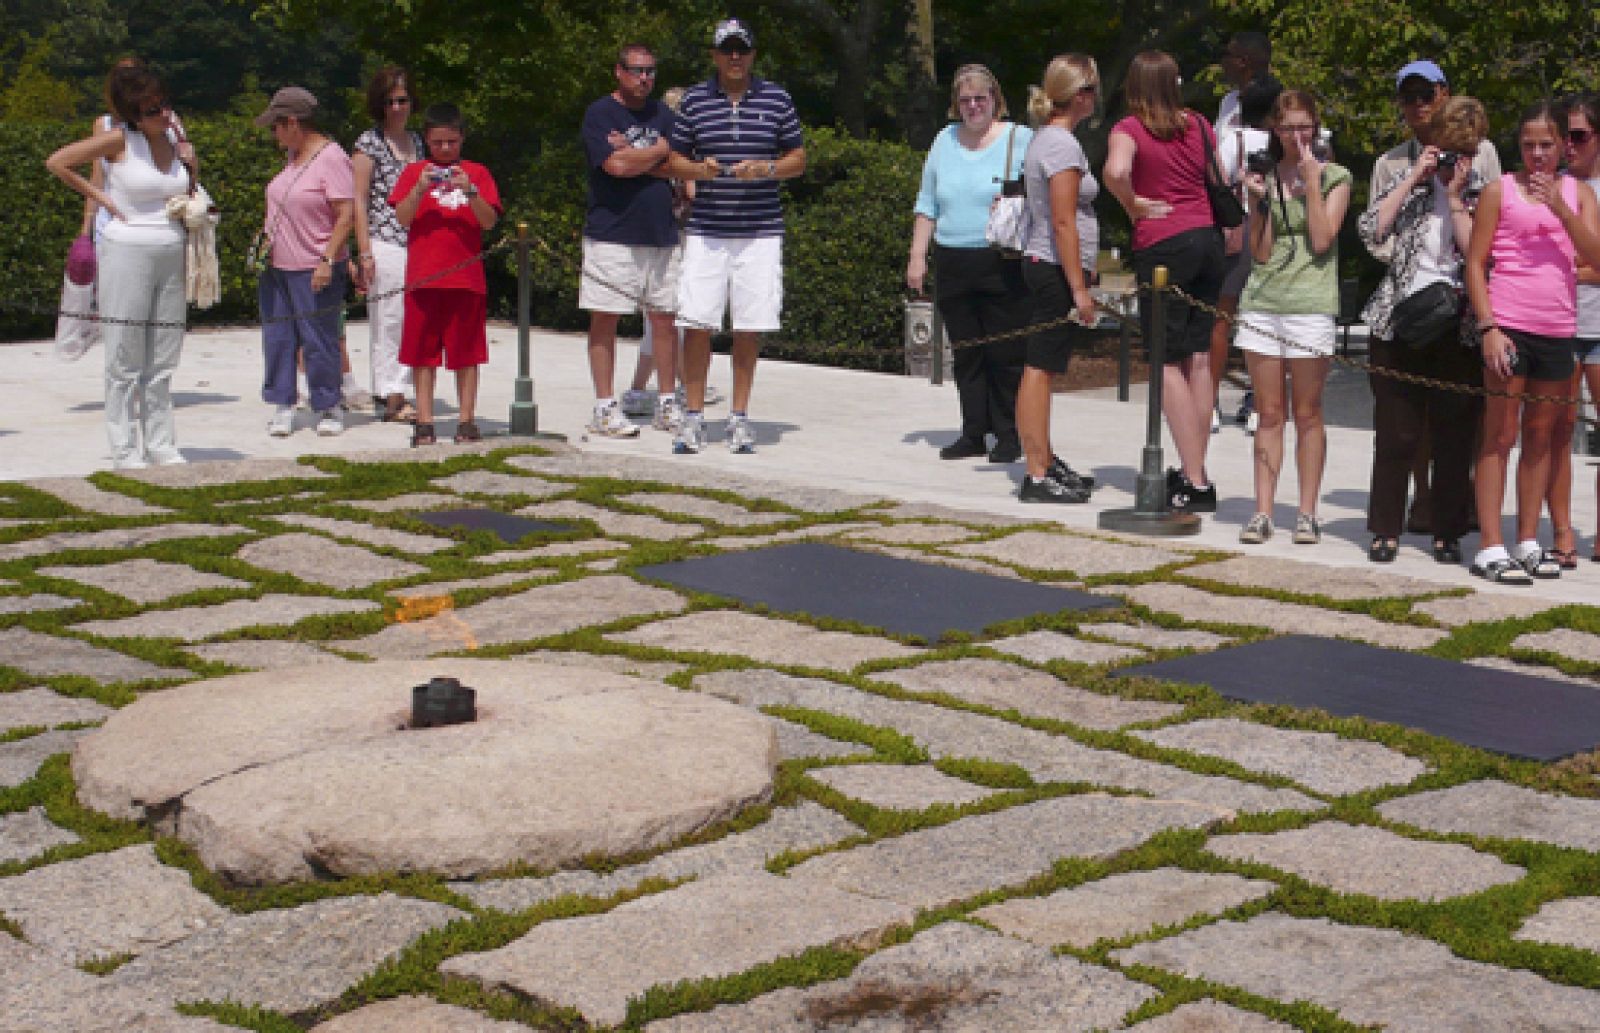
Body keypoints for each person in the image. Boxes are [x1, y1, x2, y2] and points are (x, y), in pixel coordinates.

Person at [1464, 100, 1600, 583]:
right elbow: (1476, 264)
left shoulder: (1579, 193)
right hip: (1510, 322)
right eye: (1528, 146)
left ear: (1564, 144)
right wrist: (1488, 328)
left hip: (1559, 328)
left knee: (1542, 438)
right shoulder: (1500, 191)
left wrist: (1562, 209)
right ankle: (1490, 543)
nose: (1537, 155)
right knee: (1500, 434)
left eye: (1546, 145)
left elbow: (1596, 259)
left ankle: (1526, 538)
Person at [1369, 59, 1503, 535]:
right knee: (1402, 426)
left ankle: (1449, 510)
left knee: (1456, 422)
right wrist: (1416, 183)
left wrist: (1456, 196)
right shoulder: (1391, 162)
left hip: (1461, 307)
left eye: (1428, 95)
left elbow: (1488, 237)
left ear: (1445, 94)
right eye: (1410, 97)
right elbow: (1376, 238)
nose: (1420, 106)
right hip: (1408, 304)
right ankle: (1409, 507)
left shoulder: (1481, 153)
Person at [46, 61, 196, 469]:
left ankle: (162, 443)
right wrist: (104, 201)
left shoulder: (173, 135)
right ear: (133, 115)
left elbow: (186, 190)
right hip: (126, 249)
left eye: (164, 105)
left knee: (164, 352)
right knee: (125, 355)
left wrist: (192, 168)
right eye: (152, 110)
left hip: (171, 246)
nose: (163, 114)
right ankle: (124, 447)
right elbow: (58, 162)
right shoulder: (118, 139)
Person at [665, 18, 806, 455]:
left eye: (741, 49)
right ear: (714, 55)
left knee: (749, 326)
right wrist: (698, 170)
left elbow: (798, 158)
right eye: (727, 50)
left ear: (752, 54)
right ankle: (692, 418)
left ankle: (739, 418)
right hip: (708, 229)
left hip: (759, 231)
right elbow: (674, 160)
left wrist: (765, 169)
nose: (734, 57)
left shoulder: (776, 98)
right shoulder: (694, 101)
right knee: (697, 323)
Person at [1103, 50, 1227, 513]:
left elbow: (1116, 170)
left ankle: (1194, 479)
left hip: (1164, 245)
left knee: (1164, 360)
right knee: (1198, 356)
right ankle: (1196, 469)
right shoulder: (1197, 124)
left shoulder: (1129, 129)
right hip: (1208, 241)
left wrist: (1132, 201)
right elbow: (1218, 176)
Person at [1232, 91, 1351, 545]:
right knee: (1268, 412)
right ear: (1275, 131)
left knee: (1308, 412)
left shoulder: (1336, 176)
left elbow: (1322, 239)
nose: (1297, 136)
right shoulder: (1264, 174)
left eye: (1305, 127)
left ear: (1316, 128)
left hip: (1311, 303)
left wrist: (1312, 183)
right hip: (1265, 301)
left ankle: (1306, 512)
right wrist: (1260, 201)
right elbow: (1260, 253)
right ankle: (1263, 511)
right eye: (1288, 128)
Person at [906, 63, 1030, 465]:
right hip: (953, 257)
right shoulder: (944, 141)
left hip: (1001, 258)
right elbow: (927, 204)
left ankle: (1009, 433)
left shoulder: (1020, 139)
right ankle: (974, 430)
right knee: (967, 353)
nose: (973, 106)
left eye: (981, 98)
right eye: (965, 100)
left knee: (1005, 352)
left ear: (996, 99)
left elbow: (1048, 195)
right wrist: (917, 257)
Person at [580, 42, 683, 439]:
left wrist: (645, 154)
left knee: (665, 319)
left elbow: (676, 162)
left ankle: (668, 402)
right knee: (605, 317)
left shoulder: (664, 114)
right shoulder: (600, 113)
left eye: (651, 71)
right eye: (637, 70)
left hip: (661, 232)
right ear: (618, 71)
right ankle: (605, 407)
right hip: (613, 232)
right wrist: (656, 151)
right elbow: (615, 165)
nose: (645, 79)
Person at [1012, 54, 1102, 502]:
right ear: (1079, 94)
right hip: (1052, 268)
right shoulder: (1061, 146)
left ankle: (1044, 458)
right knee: (1040, 368)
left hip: (1050, 264)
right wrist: (1079, 289)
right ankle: (1036, 471)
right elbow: (1063, 221)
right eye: (1093, 88)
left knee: (1042, 367)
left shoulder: (1052, 140)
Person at [390, 102, 502, 445]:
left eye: (451, 142)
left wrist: (469, 190)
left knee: (467, 354)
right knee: (422, 355)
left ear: (461, 139)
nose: (445, 150)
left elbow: (489, 221)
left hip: (466, 282)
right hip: (423, 280)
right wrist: (420, 188)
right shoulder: (413, 173)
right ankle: (425, 422)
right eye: (438, 143)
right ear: (426, 140)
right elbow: (403, 218)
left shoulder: (478, 173)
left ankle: (466, 420)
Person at [255, 87, 354, 439]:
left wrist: (328, 259)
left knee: (318, 338)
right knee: (279, 337)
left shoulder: (332, 158)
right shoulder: (293, 157)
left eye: (276, 126)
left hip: (313, 264)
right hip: (278, 265)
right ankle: (283, 403)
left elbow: (345, 214)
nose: (273, 134)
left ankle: (328, 403)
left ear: (292, 123)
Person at [1211, 73, 1282, 435]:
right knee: (1262, 321)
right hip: (1271, 233)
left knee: (1221, 318)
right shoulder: (1281, 144)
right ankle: (1258, 401)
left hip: (1235, 235)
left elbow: (1216, 182)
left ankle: (1209, 401)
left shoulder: (1231, 141)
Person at [1546, 94, 1600, 566]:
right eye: (1563, 136)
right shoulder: (1548, 187)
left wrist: (1576, 265)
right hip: (1558, 325)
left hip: (1598, 325)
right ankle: (1562, 533)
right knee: (1557, 432)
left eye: (1579, 136)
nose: (1569, 146)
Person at [352, 66, 422, 424]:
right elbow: (359, 202)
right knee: (389, 320)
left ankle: (408, 388)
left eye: (403, 100)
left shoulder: (418, 142)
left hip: (417, 243)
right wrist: (364, 251)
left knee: (414, 320)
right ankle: (391, 394)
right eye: (390, 101)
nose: (397, 107)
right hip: (384, 241)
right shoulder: (369, 144)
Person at [1216, 32, 1271, 135]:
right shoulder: (1229, 100)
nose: (1222, 62)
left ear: (1242, 62)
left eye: (1226, 55)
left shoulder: (1277, 103)